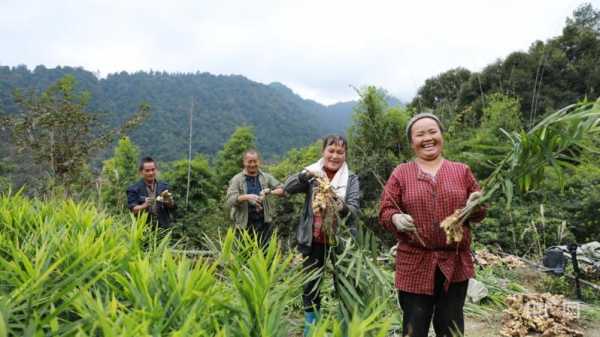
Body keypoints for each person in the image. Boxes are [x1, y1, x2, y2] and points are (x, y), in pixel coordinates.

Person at [379, 113, 485, 337]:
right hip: (414, 261)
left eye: (432, 132)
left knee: (451, 325)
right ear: (412, 142)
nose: (427, 138)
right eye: (420, 134)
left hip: (454, 262)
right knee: (414, 325)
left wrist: (476, 205)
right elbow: (386, 210)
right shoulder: (401, 173)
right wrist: (396, 219)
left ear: (441, 136)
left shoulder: (461, 170)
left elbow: (479, 214)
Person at [283, 135, 360, 336]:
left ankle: (345, 330)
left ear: (346, 155)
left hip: (341, 244)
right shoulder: (313, 175)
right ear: (323, 152)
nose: (335, 156)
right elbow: (287, 188)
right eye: (331, 151)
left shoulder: (351, 179)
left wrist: (335, 201)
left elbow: (353, 210)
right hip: (313, 241)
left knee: (344, 288)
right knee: (311, 286)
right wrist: (303, 175)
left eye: (340, 152)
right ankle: (312, 330)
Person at [225, 149, 285, 247]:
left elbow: (283, 190)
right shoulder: (237, 179)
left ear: (259, 162)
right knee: (244, 256)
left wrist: (269, 191)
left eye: (255, 161)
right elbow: (229, 201)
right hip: (244, 226)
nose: (252, 164)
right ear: (244, 162)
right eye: (249, 161)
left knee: (265, 255)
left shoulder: (266, 177)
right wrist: (246, 197)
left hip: (265, 224)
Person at [127, 156, 175, 228]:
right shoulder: (133, 189)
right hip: (143, 229)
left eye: (153, 170)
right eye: (147, 170)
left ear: (156, 170)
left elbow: (172, 207)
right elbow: (133, 210)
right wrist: (144, 205)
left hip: (163, 228)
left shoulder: (164, 186)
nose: (151, 173)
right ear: (141, 172)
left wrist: (169, 201)